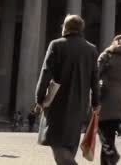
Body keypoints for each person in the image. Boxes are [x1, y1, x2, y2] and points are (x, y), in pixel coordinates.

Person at [36, 15, 100, 165]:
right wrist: (95, 102)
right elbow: (95, 80)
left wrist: (39, 99)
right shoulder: (91, 49)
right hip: (79, 105)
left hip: (57, 102)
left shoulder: (56, 45)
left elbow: (45, 74)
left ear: (65, 27)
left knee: (56, 143)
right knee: (70, 145)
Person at [98, 35, 121, 165]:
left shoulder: (106, 56)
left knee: (102, 129)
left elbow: (96, 73)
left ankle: (112, 153)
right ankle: (107, 161)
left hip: (107, 95)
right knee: (111, 132)